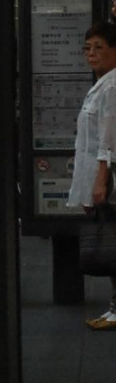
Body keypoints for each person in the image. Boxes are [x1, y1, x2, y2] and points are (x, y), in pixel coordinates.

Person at [69, 19, 116, 329]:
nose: (91, 53)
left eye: (99, 47)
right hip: (104, 179)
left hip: (111, 180)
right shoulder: (103, 83)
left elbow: (108, 138)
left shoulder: (112, 86)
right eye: (88, 47)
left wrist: (100, 180)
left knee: (113, 242)